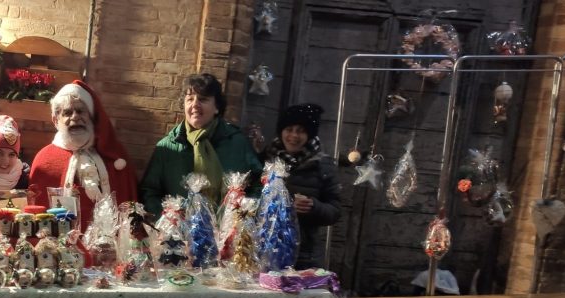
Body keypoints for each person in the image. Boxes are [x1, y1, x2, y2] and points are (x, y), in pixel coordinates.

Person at [139, 73, 262, 216]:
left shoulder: (237, 142)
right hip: (178, 228)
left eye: (203, 99)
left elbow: (259, 183)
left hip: (228, 227)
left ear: (217, 107)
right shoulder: (168, 147)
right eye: (190, 99)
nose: (195, 105)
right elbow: (149, 191)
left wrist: (243, 213)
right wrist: (167, 219)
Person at [28, 80, 137, 228]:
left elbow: (129, 206)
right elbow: (36, 214)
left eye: (80, 111)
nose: (75, 117)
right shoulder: (44, 159)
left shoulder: (115, 155)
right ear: (55, 120)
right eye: (67, 113)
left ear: (91, 116)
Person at [263, 103, 341, 269]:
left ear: (310, 135)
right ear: (281, 131)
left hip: (304, 255)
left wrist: (314, 206)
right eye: (289, 129)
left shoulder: (323, 165)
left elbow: (335, 211)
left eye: (301, 131)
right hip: (264, 249)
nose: (294, 135)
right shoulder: (265, 159)